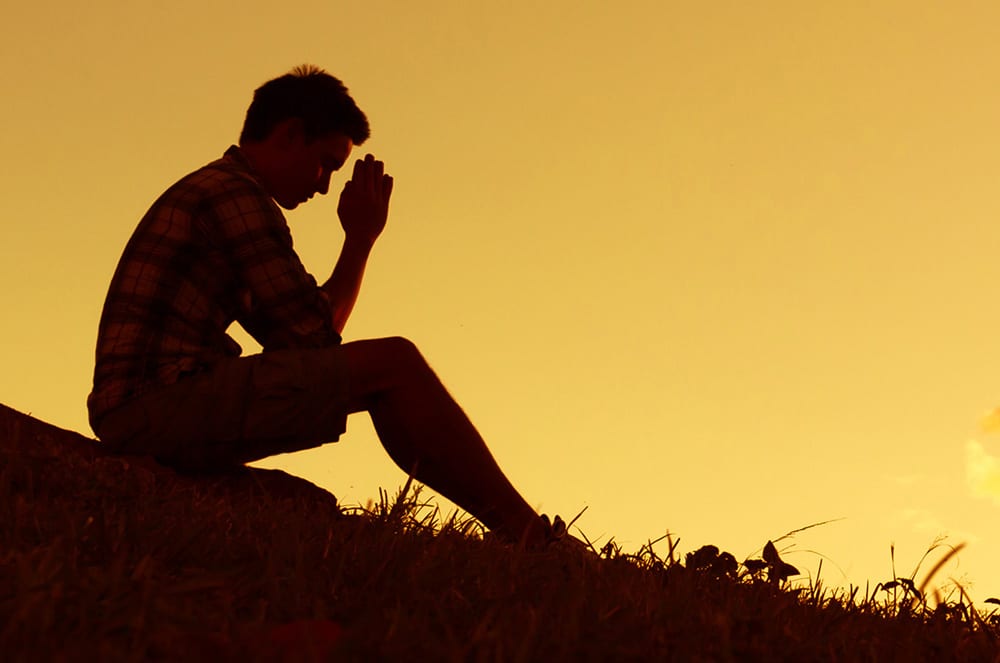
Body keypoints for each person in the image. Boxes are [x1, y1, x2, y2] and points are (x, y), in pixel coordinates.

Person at [87, 65, 560, 547]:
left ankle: (517, 531)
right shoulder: (235, 195)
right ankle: (529, 536)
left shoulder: (220, 190)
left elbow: (295, 341)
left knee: (374, 384)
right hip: (154, 406)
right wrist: (360, 240)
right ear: (291, 134)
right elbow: (315, 338)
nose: (324, 187)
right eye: (326, 164)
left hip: (145, 408)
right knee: (395, 364)